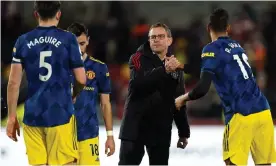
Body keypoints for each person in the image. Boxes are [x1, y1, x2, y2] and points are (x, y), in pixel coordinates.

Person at [175, 8, 276, 166]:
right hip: (263, 111)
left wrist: (182, 99)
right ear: (228, 28)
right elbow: (209, 69)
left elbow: (202, 87)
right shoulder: (237, 46)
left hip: (241, 114)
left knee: (233, 163)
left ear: (209, 28)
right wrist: (183, 66)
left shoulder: (211, 49)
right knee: (264, 164)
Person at [6, 1, 86, 165]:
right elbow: (81, 79)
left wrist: (12, 117)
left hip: (33, 115)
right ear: (58, 14)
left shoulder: (23, 41)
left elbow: (13, 83)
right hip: (60, 113)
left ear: (36, 14)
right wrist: (74, 94)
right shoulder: (68, 39)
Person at [119, 23, 190, 165]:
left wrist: (183, 132)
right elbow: (137, 85)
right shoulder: (137, 58)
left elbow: (179, 100)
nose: (156, 40)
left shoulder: (175, 66)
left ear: (169, 40)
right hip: (135, 128)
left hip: (160, 129)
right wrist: (164, 70)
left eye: (160, 36)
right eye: (153, 37)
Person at [67, 22, 115, 165]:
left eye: (82, 43)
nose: (79, 49)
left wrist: (110, 136)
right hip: (62, 136)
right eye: (75, 44)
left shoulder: (99, 68)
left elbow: (105, 104)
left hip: (89, 135)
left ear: (88, 40)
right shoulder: (59, 67)